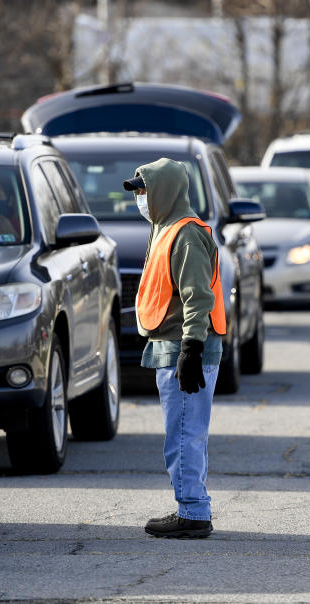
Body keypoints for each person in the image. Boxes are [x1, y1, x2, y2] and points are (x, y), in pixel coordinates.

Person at [123, 157, 225, 539]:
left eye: (144, 190)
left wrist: (191, 349)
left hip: (185, 348)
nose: (141, 198)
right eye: (138, 192)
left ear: (165, 191)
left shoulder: (183, 234)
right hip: (173, 346)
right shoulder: (165, 228)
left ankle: (193, 512)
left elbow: (198, 298)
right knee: (185, 431)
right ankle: (192, 504)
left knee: (183, 433)